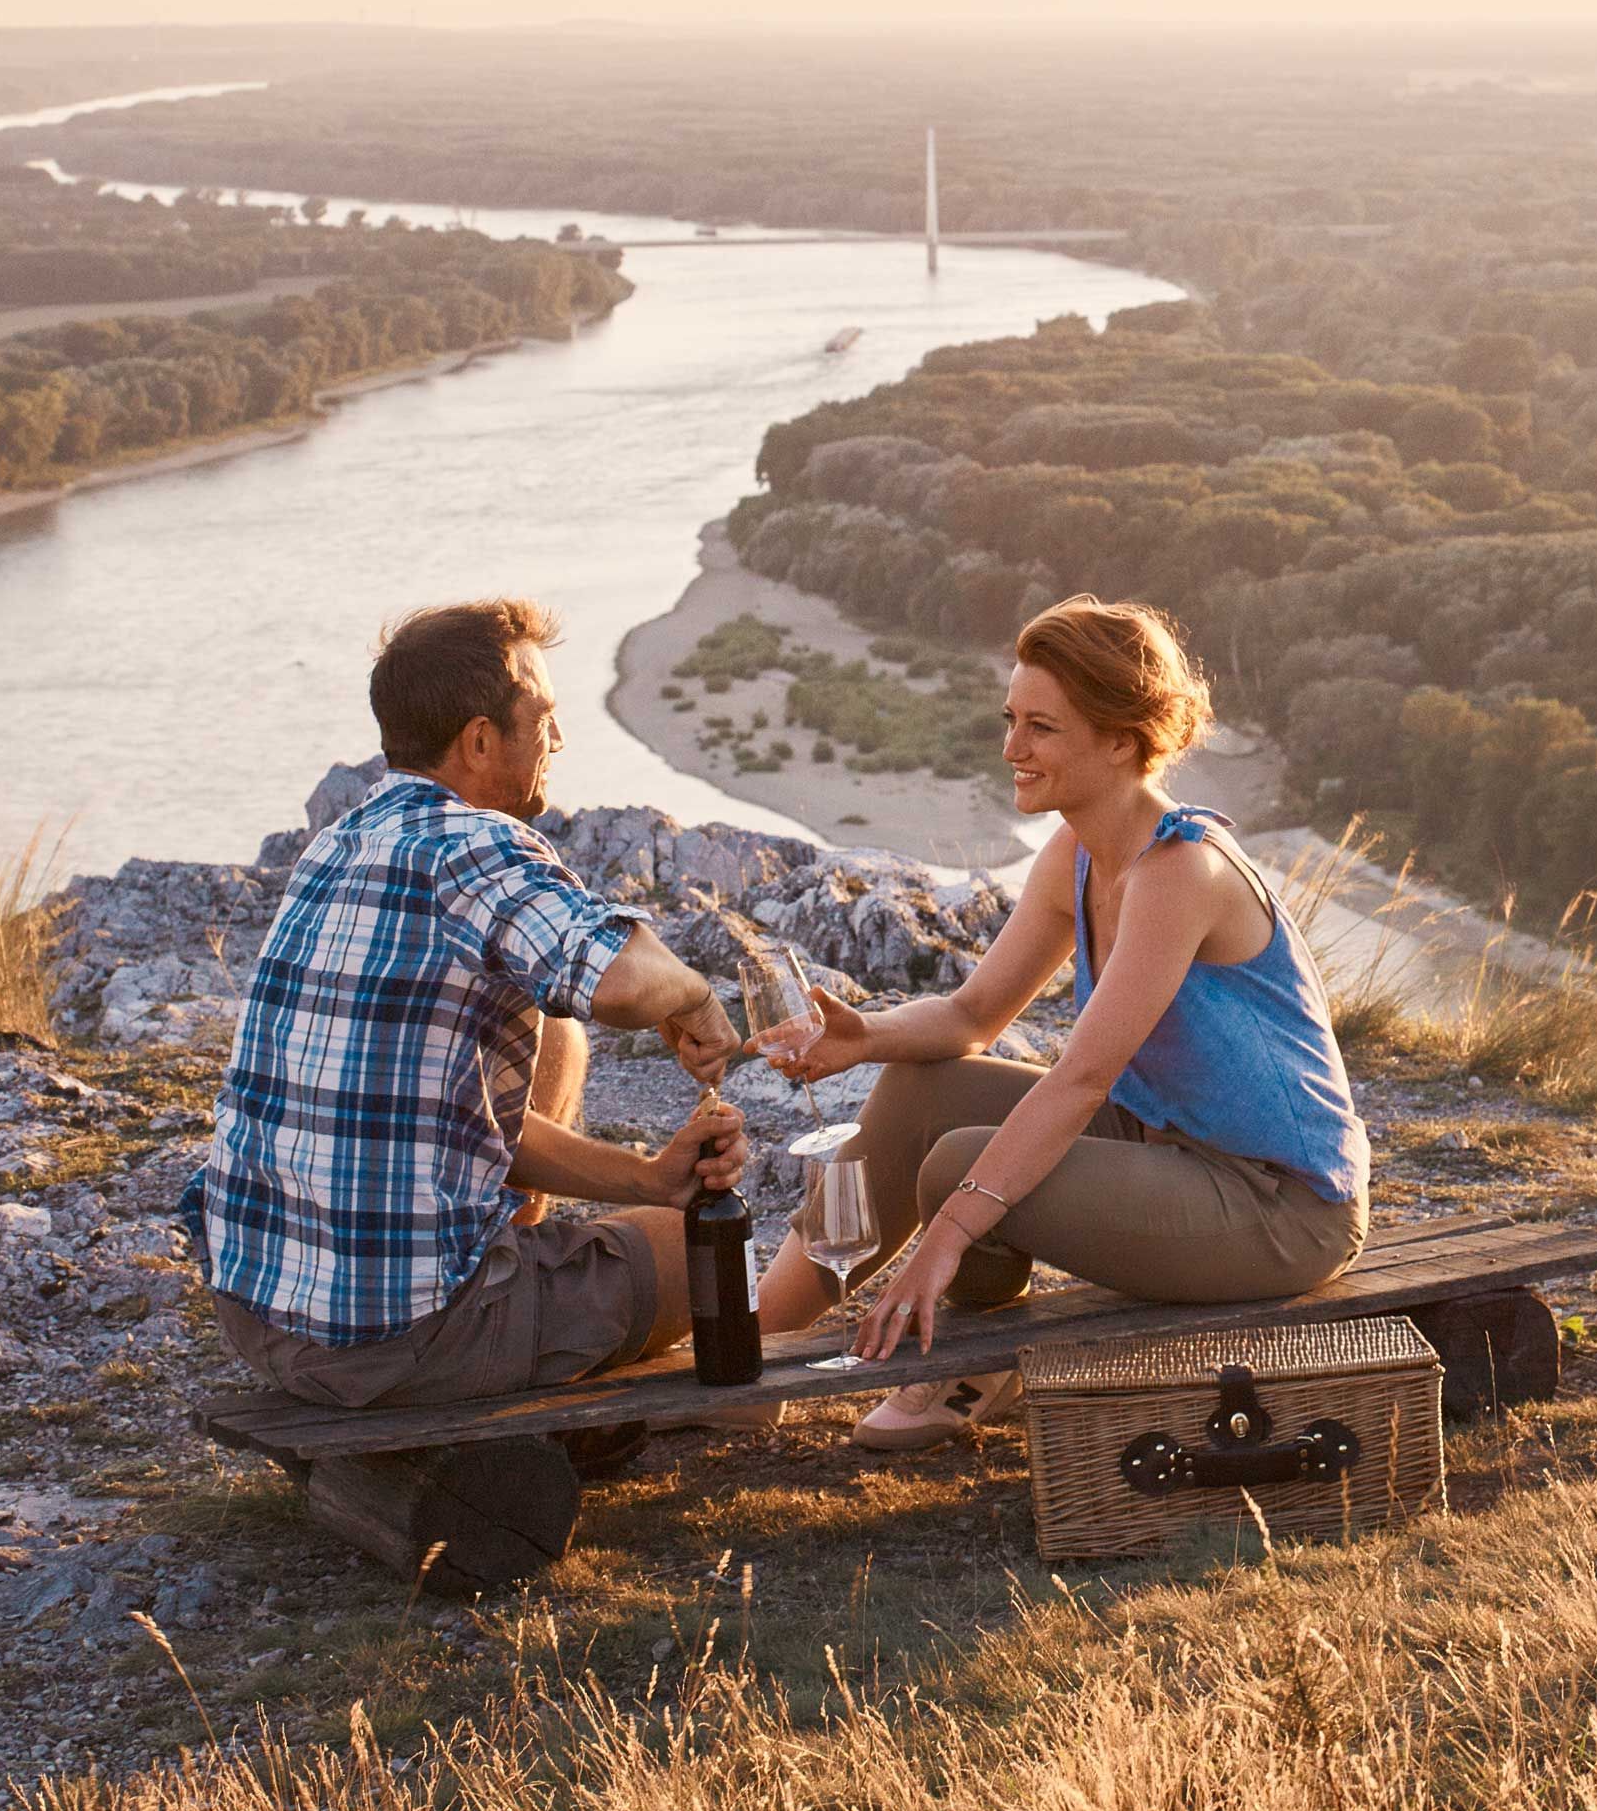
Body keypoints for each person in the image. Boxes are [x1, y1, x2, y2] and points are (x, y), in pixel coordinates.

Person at [756, 594, 1369, 1445]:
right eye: (1012, 720)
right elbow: (972, 1014)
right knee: (918, 1089)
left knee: (960, 1170)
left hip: (1279, 1208)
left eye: (1041, 728)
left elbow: (1079, 1080)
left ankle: (979, 1365)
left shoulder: (1180, 870)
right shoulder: (1077, 852)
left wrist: (943, 1243)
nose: (1012, 749)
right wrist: (864, 1037)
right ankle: (755, 1356)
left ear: (1121, 738)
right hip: (1164, 1142)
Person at [189, 598, 751, 1436]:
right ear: (481, 741)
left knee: (548, 1029)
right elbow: (621, 982)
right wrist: (698, 996)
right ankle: (510, 1341)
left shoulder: (336, 845)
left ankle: (513, 1268)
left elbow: (435, 1117)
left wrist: (647, 1179)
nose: (558, 743)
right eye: (545, 720)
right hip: (399, 1341)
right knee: (683, 1251)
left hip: (260, 1322)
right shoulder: (474, 845)